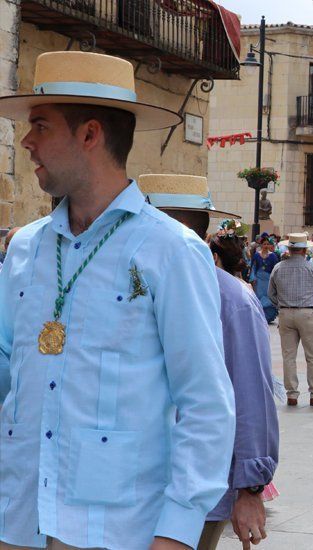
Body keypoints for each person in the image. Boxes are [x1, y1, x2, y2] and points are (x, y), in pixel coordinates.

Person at [0, 51, 235, 549]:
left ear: (89, 134)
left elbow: (206, 404)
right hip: (18, 519)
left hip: (117, 531)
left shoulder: (170, 250)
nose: (26, 142)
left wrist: (176, 531)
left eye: (40, 125)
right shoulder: (25, 247)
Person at [139, 174, 280, 550]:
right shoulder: (133, 286)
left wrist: (250, 488)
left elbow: (251, 394)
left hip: (196, 488)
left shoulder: (231, 299)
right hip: (132, 484)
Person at [269, 233, 313, 407]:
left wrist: (281, 304)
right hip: (307, 312)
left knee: (289, 356)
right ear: (304, 250)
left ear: (289, 248)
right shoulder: (312, 268)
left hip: (286, 313)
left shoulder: (278, 267)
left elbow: (271, 294)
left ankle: (292, 394)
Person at [250, 237, 279, 324]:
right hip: (258, 281)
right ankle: (259, 316)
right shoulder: (256, 255)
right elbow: (253, 267)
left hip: (268, 280)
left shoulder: (273, 256)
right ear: (261, 245)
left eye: (267, 244)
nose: (266, 246)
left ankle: (267, 317)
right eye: (264, 244)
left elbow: (275, 269)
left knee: (268, 297)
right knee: (259, 298)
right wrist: (253, 278)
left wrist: (275, 280)